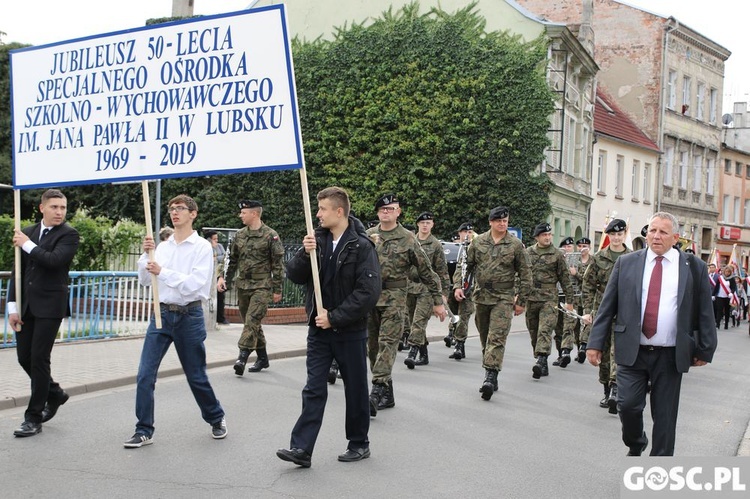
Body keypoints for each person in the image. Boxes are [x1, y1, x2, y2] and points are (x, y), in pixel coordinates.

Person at [585, 211, 717, 456]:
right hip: (632, 351)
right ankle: (636, 441)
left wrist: (705, 348)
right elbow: (607, 306)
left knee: (665, 417)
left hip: (670, 355)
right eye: (652, 231)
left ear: (675, 237)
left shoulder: (693, 267)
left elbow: (704, 311)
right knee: (627, 406)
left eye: (663, 232)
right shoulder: (627, 263)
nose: (656, 236)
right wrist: (595, 343)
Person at [276, 187, 381, 468]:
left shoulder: (362, 246)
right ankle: (301, 448)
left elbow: (368, 292)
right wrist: (303, 253)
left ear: (339, 211)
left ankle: (359, 443)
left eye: (322, 209)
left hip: (349, 330)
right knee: (313, 388)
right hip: (319, 332)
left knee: (356, 389)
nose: (317, 214)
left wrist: (335, 317)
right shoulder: (317, 242)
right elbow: (295, 275)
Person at [124, 194, 227, 448]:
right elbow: (146, 281)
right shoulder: (163, 246)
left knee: (196, 376)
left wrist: (163, 272)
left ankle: (216, 417)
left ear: (193, 214)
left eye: (180, 208)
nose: (174, 212)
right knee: (144, 374)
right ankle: (143, 429)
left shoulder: (202, 247)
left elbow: (196, 286)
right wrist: (145, 255)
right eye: (171, 209)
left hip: (188, 316)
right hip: (160, 315)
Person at [8, 189, 80, 437]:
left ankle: (33, 417)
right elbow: (17, 272)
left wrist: (26, 245)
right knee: (24, 358)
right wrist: (12, 307)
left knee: (39, 359)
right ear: (42, 208)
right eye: (54, 207)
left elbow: (53, 261)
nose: (59, 212)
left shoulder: (69, 234)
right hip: (26, 307)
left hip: (50, 306)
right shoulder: (27, 232)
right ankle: (55, 393)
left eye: (63, 207)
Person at [366, 193, 446, 415]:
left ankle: (376, 391)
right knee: (372, 348)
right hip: (371, 298)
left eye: (391, 209)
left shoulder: (408, 238)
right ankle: (388, 393)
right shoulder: (368, 236)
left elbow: (427, 272)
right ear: (378, 212)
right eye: (383, 209)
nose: (386, 212)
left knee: (388, 343)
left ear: (398, 212)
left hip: (395, 298)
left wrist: (438, 301)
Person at [454, 206, 531, 401]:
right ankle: (491, 368)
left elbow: (525, 274)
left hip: (504, 297)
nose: (502, 224)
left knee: (497, 337)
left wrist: (521, 300)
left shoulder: (515, 245)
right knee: (485, 337)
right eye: (499, 221)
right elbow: (465, 266)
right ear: (491, 222)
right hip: (481, 296)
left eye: (505, 221)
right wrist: (458, 286)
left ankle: (490, 375)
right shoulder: (478, 242)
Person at [219, 200, 285, 376]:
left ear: (254, 214)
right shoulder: (239, 235)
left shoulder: (271, 235)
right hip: (243, 286)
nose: (240, 215)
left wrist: (277, 289)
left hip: (262, 286)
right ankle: (262, 357)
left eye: (243, 212)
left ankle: (242, 356)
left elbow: (278, 264)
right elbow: (230, 259)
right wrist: (222, 278)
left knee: (252, 320)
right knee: (252, 323)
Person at [581, 219, 631, 413]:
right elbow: (588, 284)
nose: (616, 238)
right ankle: (606, 388)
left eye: (620, 235)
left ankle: (615, 390)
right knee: (603, 348)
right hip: (602, 310)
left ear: (624, 235)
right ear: (608, 236)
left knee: (617, 350)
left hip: (624, 310)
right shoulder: (599, 258)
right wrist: (588, 310)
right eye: (613, 235)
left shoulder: (631, 257)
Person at [525, 224, 574, 379]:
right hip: (531, 297)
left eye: (549, 234)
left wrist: (570, 301)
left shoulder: (557, 254)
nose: (547, 237)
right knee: (533, 331)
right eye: (544, 235)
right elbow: (521, 275)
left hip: (549, 297)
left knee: (544, 329)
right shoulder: (528, 253)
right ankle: (541, 360)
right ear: (537, 237)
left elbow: (565, 279)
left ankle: (541, 359)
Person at [403, 212, 451, 369]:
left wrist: (444, 294)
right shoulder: (410, 241)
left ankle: (413, 352)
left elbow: (442, 270)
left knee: (419, 320)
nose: (425, 225)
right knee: (411, 321)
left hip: (427, 288)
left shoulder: (435, 244)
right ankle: (423, 353)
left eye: (428, 223)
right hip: (410, 287)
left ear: (432, 225)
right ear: (417, 225)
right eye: (422, 223)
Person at [446, 222, 477, 360]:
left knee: (464, 317)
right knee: (453, 313)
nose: (467, 235)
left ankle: (459, 345)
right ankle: (451, 333)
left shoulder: (477, 248)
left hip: (470, 288)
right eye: (465, 232)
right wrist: (456, 286)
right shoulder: (458, 249)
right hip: (455, 286)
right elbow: (458, 268)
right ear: (459, 233)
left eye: (470, 232)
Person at [552, 236, 577, 367]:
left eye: (569, 246)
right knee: (558, 326)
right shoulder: (556, 258)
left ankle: (566, 351)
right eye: (565, 247)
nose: (567, 249)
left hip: (572, 297)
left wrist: (576, 273)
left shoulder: (576, 260)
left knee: (569, 324)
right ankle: (560, 354)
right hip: (557, 296)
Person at [572, 237, 592, 363]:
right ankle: (580, 348)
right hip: (575, 296)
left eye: (584, 245)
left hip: (588, 296)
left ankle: (584, 345)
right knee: (575, 325)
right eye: (579, 246)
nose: (582, 248)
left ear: (589, 247)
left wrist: (576, 274)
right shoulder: (573, 261)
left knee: (588, 322)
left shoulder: (593, 261)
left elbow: (590, 280)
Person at [205, 231, 229, 325]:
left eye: (217, 239)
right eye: (214, 239)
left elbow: (224, 257)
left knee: (221, 295)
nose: (216, 241)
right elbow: (209, 258)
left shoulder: (219, 246)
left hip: (218, 274)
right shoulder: (206, 247)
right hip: (209, 275)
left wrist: (216, 257)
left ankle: (220, 317)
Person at [712, 265, 736, 330]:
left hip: (727, 297)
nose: (727, 273)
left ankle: (726, 325)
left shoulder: (732, 279)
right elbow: (716, 287)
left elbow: (734, 287)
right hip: (720, 296)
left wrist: (732, 293)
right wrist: (713, 295)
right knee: (719, 310)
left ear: (730, 272)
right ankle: (717, 324)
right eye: (726, 271)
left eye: (728, 272)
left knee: (727, 311)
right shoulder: (720, 278)